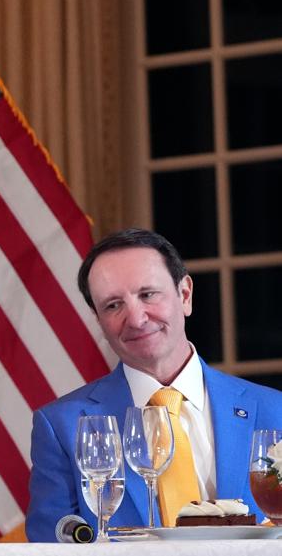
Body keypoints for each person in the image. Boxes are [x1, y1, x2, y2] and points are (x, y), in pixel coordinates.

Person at [26, 228, 282, 540]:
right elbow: (49, 544)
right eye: (113, 305)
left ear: (185, 295)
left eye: (148, 295)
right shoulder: (62, 426)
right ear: (97, 319)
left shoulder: (275, 411)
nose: (136, 319)